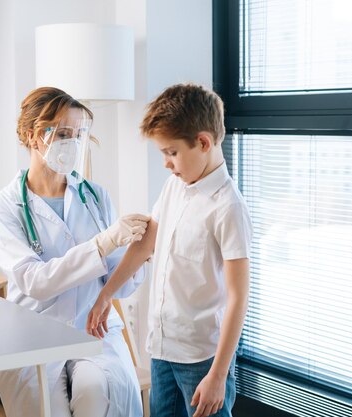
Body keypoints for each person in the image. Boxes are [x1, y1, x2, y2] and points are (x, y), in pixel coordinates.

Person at [86, 83, 252, 417]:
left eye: (171, 153)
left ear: (203, 142)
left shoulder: (228, 208)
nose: (165, 163)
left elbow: (238, 297)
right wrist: (107, 294)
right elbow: (147, 242)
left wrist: (218, 376)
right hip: (162, 347)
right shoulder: (175, 186)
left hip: (202, 358)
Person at [0, 86, 150, 417]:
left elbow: (122, 282)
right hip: (34, 335)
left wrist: (138, 257)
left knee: (98, 392)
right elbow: (34, 282)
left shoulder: (95, 196)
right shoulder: (2, 207)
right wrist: (103, 244)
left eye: (76, 134)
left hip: (94, 327)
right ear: (33, 136)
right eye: (62, 133)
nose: (71, 143)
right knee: (48, 409)